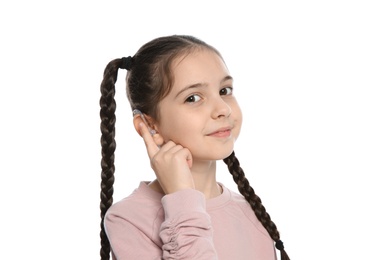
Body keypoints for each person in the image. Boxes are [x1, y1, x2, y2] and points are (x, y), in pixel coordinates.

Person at [99, 35, 290, 260]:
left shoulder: (251, 212)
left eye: (224, 91)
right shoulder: (129, 219)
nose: (222, 109)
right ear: (150, 125)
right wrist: (182, 197)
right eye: (193, 97)